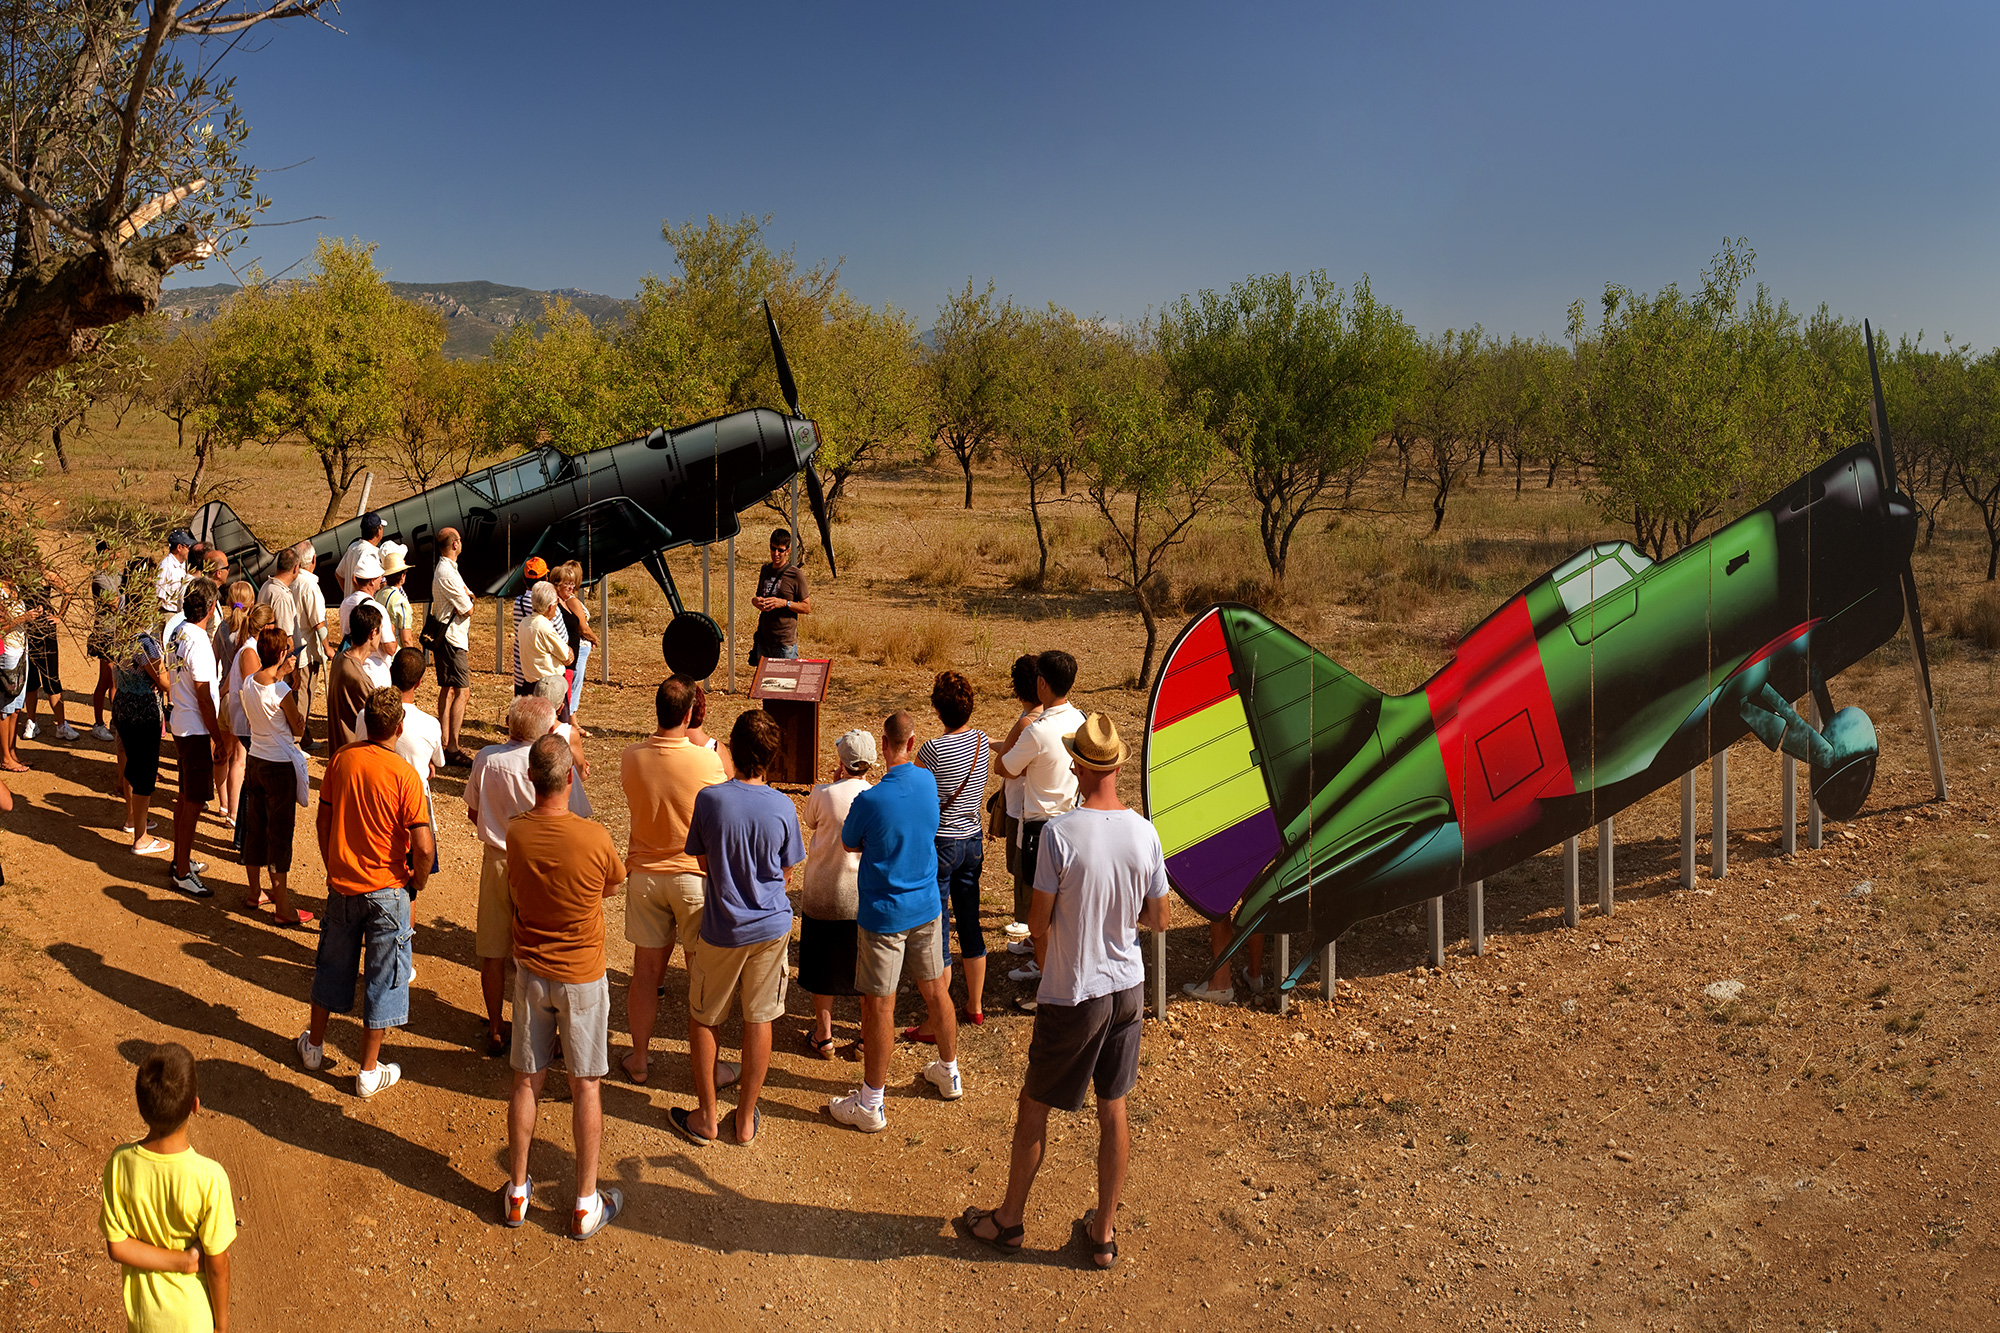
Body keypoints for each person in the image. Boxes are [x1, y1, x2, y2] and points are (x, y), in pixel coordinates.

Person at [958, 713, 1168, 1269]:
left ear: (1078, 765)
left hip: (1077, 990)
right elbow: (1160, 917)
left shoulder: (1060, 834)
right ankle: (1102, 1233)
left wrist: (1054, 974)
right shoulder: (1144, 832)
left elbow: (1039, 921)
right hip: (1128, 986)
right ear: (1119, 766)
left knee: (1035, 1104)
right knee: (1113, 1105)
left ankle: (1008, 1221)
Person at [501, 734, 627, 1239]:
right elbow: (612, 885)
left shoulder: (517, 832)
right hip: (582, 975)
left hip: (532, 971)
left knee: (527, 1079)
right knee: (585, 1084)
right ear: (570, 780)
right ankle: (583, 1202)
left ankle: (516, 1192)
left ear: (531, 779)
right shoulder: (594, 836)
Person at [672, 709, 801, 1147]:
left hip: (723, 926)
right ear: (771, 756)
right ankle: (745, 1120)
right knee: (759, 1017)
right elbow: (785, 873)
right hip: (771, 925)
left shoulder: (710, 800)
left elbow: (703, 861)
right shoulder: (784, 807)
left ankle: (707, 1117)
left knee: (705, 1017)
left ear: (734, 749)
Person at [828, 711, 961, 1134]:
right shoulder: (927, 781)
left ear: (884, 745)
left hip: (884, 913)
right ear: (912, 741)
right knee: (936, 989)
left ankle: (871, 1102)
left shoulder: (870, 800)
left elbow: (850, 842)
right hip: (926, 905)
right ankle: (949, 1071)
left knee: (878, 1005)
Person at [297, 688, 433, 1097]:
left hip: (343, 886)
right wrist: (416, 882)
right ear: (399, 728)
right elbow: (423, 847)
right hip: (389, 891)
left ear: (366, 723)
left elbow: (323, 822)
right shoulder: (406, 776)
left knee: (331, 966)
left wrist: (332, 864)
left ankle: (314, 1047)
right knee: (383, 979)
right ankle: (368, 1071)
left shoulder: (341, 760)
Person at [466, 696, 589, 1058]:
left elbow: (474, 812)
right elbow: (578, 817)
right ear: (547, 732)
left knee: (493, 950)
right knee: (540, 948)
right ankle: (542, 1030)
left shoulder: (486, 758)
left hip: (498, 860)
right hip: (543, 863)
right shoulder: (551, 763)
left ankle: (494, 1026)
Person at [617, 675, 725, 1084]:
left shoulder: (631, 757)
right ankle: (709, 1068)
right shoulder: (707, 761)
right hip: (694, 878)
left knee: (645, 975)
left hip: (645, 876)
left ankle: (640, 1058)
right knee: (702, 976)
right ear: (688, 714)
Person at [98, 1042, 234, 1333]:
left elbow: (117, 1245)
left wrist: (182, 1261)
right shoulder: (210, 1178)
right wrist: (221, 1326)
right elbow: (218, 1263)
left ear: (141, 1107)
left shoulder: (120, 1163)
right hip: (193, 1320)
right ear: (195, 1106)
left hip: (145, 1321)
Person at [992, 650, 1083, 992]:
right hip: (1072, 818)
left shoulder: (1038, 731)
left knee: (1039, 898)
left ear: (1041, 684)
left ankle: (1044, 968)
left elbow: (1005, 767)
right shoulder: (1080, 719)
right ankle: (1040, 949)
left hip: (1039, 827)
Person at [911, 670, 991, 1038]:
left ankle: (937, 1017)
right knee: (970, 921)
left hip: (941, 843)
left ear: (938, 709)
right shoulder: (981, 741)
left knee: (939, 927)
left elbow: (916, 788)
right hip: (972, 840)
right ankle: (974, 1006)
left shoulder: (931, 750)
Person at [798, 728, 875, 1057]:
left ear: (841, 762)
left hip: (823, 892)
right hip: (859, 895)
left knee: (821, 966)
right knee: (864, 970)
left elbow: (810, 821)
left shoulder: (823, 794)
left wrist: (831, 784)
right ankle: (865, 1037)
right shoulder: (874, 795)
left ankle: (824, 1034)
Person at [238, 625, 310, 926]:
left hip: (255, 759)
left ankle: (255, 892)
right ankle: (283, 906)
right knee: (279, 835)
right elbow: (298, 728)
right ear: (281, 654)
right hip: (279, 766)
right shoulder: (281, 690)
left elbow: (266, 688)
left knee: (255, 829)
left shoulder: (249, 682)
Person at [164, 582, 223, 899]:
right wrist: (218, 738)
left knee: (185, 797)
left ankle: (180, 860)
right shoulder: (198, 641)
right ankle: (183, 871)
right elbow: (204, 697)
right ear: (211, 608)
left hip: (182, 723)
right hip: (196, 729)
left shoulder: (179, 631)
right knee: (193, 802)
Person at [112, 615, 171, 858]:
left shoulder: (119, 638)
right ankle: (141, 838)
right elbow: (165, 680)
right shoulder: (145, 643)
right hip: (143, 711)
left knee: (130, 765)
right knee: (144, 772)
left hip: (123, 705)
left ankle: (132, 818)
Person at [995, 655, 1040, 961]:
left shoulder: (1028, 722)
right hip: (1035, 808)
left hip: (1021, 810)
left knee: (1021, 868)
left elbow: (1007, 766)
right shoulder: (1051, 717)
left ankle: (1027, 927)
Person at [210, 584, 258, 830]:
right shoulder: (249, 631)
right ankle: (234, 813)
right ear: (251, 603)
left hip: (222, 698)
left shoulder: (220, 628)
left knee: (222, 753)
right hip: (239, 699)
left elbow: (214, 661)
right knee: (240, 759)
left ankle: (224, 804)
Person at [427, 526, 475, 766]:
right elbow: (468, 607)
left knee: (447, 688)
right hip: (453, 639)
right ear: (455, 544)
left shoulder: (447, 569)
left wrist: (466, 600)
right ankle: (453, 746)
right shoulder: (447, 572)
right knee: (462, 691)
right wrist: (466, 603)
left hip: (447, 637)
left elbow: (469, 597)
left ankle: (444, 741)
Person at [21, 562, 77, 743]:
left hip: (46, 633)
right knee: (30, 679)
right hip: (26, 632)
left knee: (52, 678)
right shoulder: (16, 576)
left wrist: (59, 616)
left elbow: (68, 591)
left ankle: (61, 725)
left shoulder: (45, 574)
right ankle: (31, 721)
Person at [327, 602, 385, 752]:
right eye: (380, 631)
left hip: (341, 753)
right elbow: (381, 721)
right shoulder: (358, 677)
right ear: (373, 633)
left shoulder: (340, 659)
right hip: (353, 754)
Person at [288, 543, 329, 750]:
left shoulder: (292, 580)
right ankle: (296, 742)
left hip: (294, 646)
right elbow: (318, 622)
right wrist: (328, 647)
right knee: (303, 694)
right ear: (313, 560)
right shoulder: (309, 584)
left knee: (300, 693)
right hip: (305, 649)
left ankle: (303, 736)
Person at [748, 527, 808, 667]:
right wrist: (755, 601)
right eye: (773, 549)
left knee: (785, 685)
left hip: (784, 643)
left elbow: (806, 606)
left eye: (780, 550)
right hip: (764, 640)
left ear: (787, 551)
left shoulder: (795, 574)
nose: (776, 554)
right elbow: (758, 596)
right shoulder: (765, 570)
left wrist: (784, 603)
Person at [510, 557, 567, 694]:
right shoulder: (552, 607)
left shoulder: (519, 603)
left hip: (522, 672)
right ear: (546, 578)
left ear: (524, 580)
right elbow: (563, 638)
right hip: (546, 678)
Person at [554, 560, 599, 723]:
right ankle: (570, 720)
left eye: (572, 583)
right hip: (578, 648)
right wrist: (595, 638)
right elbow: (583, 627)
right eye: (568, 583)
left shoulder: (566, 601)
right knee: (573, 686)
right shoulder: (571, 601)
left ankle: (571, 720)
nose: (571, 586)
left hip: (577, 648)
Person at [87, 541, 122, 742]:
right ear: (107, 552)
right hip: (106, 633)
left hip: (117, 632)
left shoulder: (116, 575)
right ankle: (98, 723)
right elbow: (116, 603)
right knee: (106, 679)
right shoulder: (100, 577)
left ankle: (114, 720)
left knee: (115, 679)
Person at [519, 582, 572, 706]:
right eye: (556, 604)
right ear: (550, 606)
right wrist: (569, 650)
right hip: (548, 687)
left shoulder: (524, 622)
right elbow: (565, 655)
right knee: (556, 723)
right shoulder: (544, 627)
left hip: (529, 684)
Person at [0, 578, 31, 772]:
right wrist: (24, 618)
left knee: (17, 707)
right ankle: (5, 756)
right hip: (8, 652)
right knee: (5, 707)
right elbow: (2, 627)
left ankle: (12, 752)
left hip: (21, 650)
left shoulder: (15, 587)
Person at [337, 548, 385, 645]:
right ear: (372, 581)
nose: (382, 579)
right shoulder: (378, 609)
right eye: (380, 576)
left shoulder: (345, 603)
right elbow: (390, 648)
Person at [334, 511, 386, 599]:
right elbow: (380, 584)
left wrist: (348, 594)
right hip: (363, 607)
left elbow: (338, 574)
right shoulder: (372, 553)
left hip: (349, 604)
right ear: (378, 531)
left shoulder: (353, 547)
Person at [377, 543, 418, 649]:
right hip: (395, 652)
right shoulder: (401, 601)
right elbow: (406, 639)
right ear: (402, 575)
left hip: (380, 648)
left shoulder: (379, 594)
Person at [155, 530, 193, 619]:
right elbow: (158, 595)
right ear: (179, 547)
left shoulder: (182, 564)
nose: (189, 550)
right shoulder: (166, 567)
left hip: (179, 614)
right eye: (187, 547)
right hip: (168, 615)